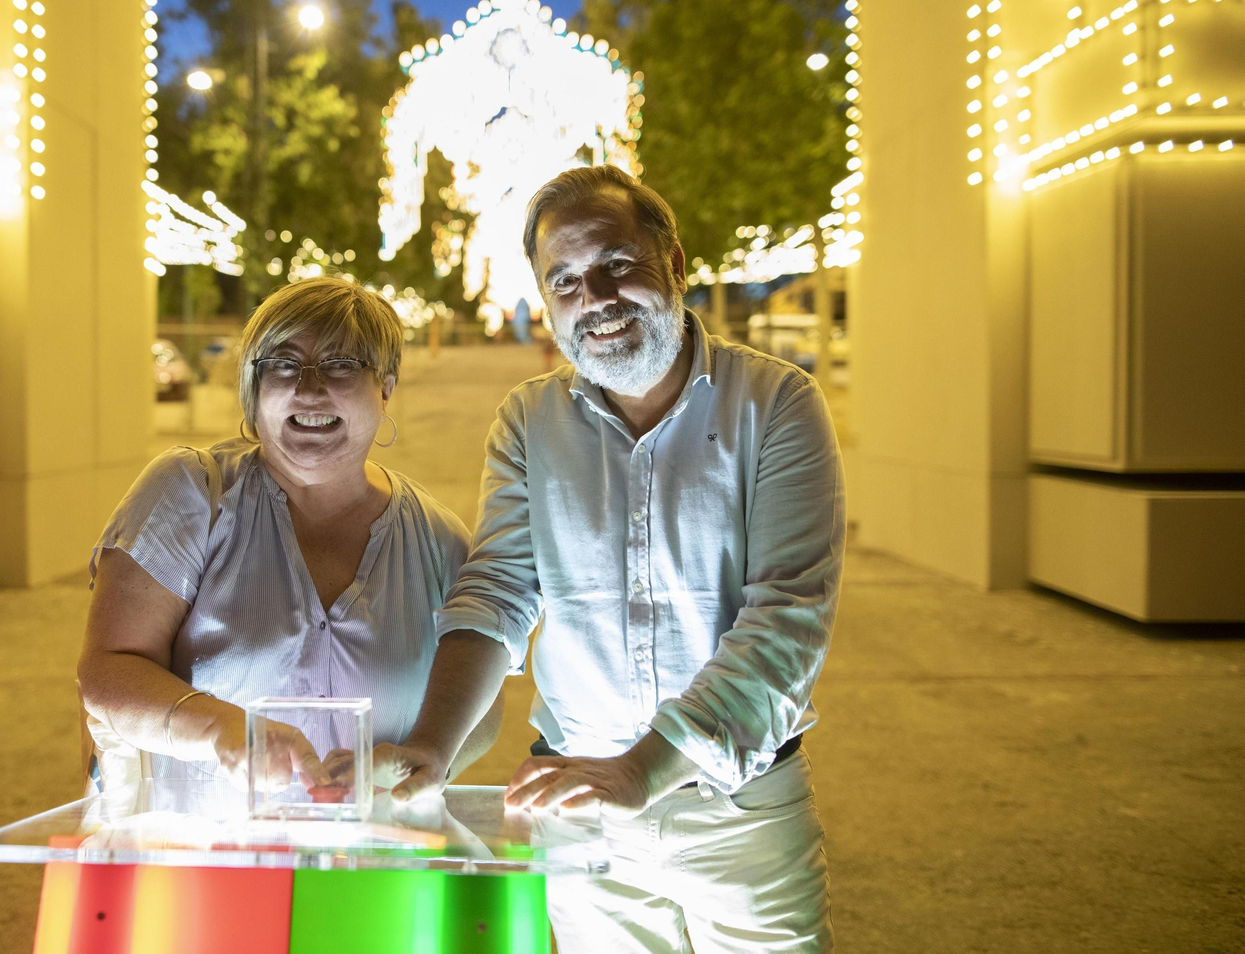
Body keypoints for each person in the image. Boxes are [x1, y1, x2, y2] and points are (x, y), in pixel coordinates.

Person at [375, 165, 844, 953]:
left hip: (735, 804)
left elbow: (786, 624)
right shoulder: (528, 420)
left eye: (618, 265)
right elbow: (496, 595)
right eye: (564, 280)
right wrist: (432, 747)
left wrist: (644, 770)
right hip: (578, 807)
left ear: (676, 266)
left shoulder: (777, 404)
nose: (595, 297)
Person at [77, 276, 503, 798]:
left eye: (342, 364)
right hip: (211, 863)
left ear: (386, 385)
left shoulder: (438, 542)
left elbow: (481, 713)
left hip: (371, 866)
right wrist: (216, 727)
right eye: (282, 363)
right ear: (254, 387)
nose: (309, 387)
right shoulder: (189, 495)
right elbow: (107, 671)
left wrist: (415, 769)